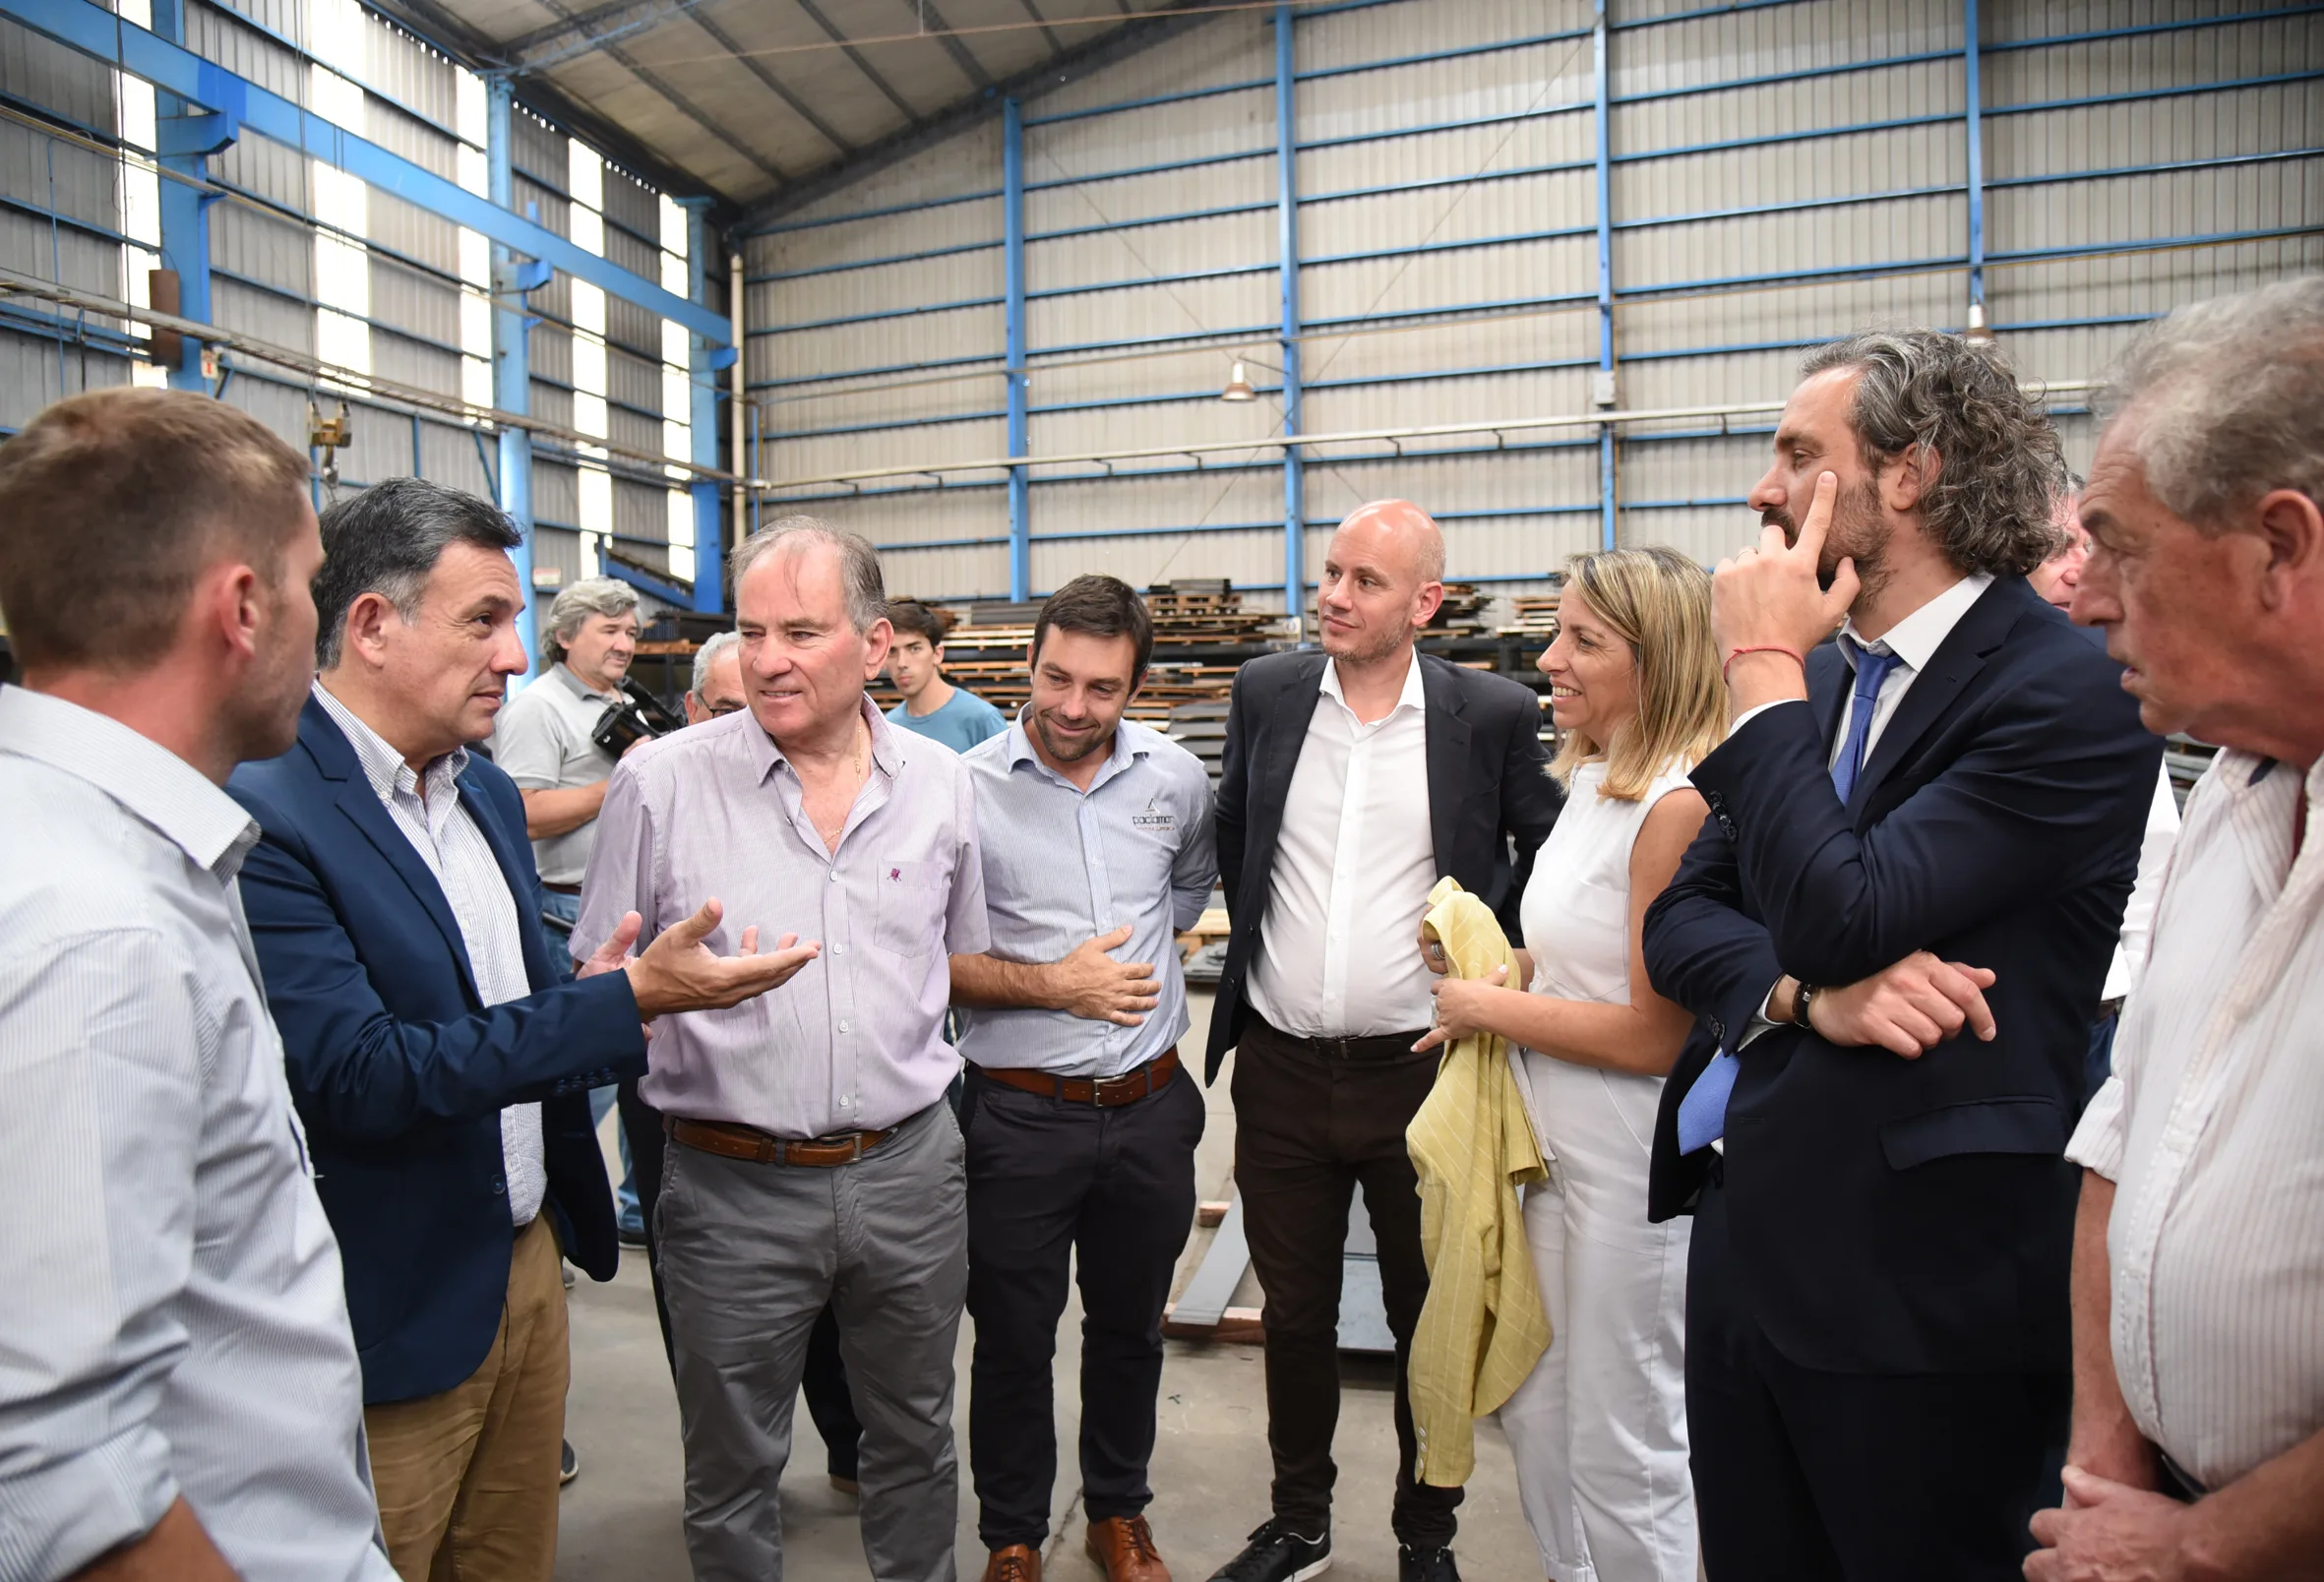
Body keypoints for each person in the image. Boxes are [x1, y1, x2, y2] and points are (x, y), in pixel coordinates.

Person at [1640, 331, 2164, 1581]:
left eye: (1795, 456)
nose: (1763, 491)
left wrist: (1760, 663)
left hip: (1922, 1298)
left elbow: (1841, 912)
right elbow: (1680, 921)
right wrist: (1800, 999)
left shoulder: (2063, 693)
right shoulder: (1823, 683)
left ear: (1909, 474)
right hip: (1748, 1257)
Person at [226, 478, 815, 1582]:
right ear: (371, 625)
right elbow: (358, 1074)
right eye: (484, 621)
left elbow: (507, 1003)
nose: (511, 655)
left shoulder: (483, 794)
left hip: (526, 1266)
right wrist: (620, 1004)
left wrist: (589, 986)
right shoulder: (270, 811)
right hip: (391, 1298)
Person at [0, 389, 397, 1581]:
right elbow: (59, 1477)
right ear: (241, 608)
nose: (317, 629)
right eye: (310, 587)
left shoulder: (91, 846)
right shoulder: (102, 932)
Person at [576, 517, 988, 1582]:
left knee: (916, 1438)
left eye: (800, 632)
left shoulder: (942, 784)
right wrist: (633, 999)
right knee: (731, 1468)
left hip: (908, 1173)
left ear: (876, 642)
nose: (767, 660)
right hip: (730, 1188)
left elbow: (955, 959)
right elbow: (596, 988)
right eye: (753, 632)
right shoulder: (660, 784)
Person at [1204, 500, 1564, 1582]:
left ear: (1425, 603)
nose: (1334, 596)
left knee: (1427, 1317)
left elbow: (1546, 851)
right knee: (1294, 1312)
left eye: (1365, 581)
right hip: (1279, 1066)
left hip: (1422, 1075)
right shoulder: (1267, 693)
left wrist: (1501, 957)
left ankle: (1426, 1533)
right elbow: (1237, 827)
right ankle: (1299, 1524)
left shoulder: (1487, 713)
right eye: (1331, 572)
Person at [2029, 276, 2324, 1580]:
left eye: (2120, 548)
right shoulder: (2238, 785)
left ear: (2278, 550)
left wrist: (2204, 1547)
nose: (2084, 597)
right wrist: (2107, 1467)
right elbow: (2125, 1137)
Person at [1413, 546, 1720, 1582]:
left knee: (1623, 1440)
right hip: (1552, 1147)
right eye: (1557, 633)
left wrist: (1491, 1006)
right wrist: (1493, 965)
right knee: (1538, 1405)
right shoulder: (1592, 779)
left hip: (1630, 1164)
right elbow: (1571, 958)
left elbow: (1656, 1033)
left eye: (1583, 641)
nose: (1550, 658)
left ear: (1657, 660)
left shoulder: (1674, 807)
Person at [950, 576, 1217, 1582]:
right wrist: (1054, 986)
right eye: (1056, 678)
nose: (1072, 706)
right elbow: (925, 958)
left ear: (1136, 688)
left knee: (1129, 1330)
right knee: (1013, 1338)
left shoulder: (1175, 780)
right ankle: (1014, 1534)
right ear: (1029, 663)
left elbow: (1184, 892)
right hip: (1019, 1117)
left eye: (1101, 689)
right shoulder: (964, 790)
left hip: (1150, 1108)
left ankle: (1117, 1512)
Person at [2033, 475, 2182, 1095]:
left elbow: (2155, 859)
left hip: (2095, 1019)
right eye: (2053, 550)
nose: (2076, 573)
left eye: (2088, 549)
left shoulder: (2113, 697)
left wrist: (2144, 1019)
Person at [886, 597, 1006, 752]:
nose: (902, 663)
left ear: (937, 654)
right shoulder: (888, 729)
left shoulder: (982, 719)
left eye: (914, 649)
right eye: (892, 652)